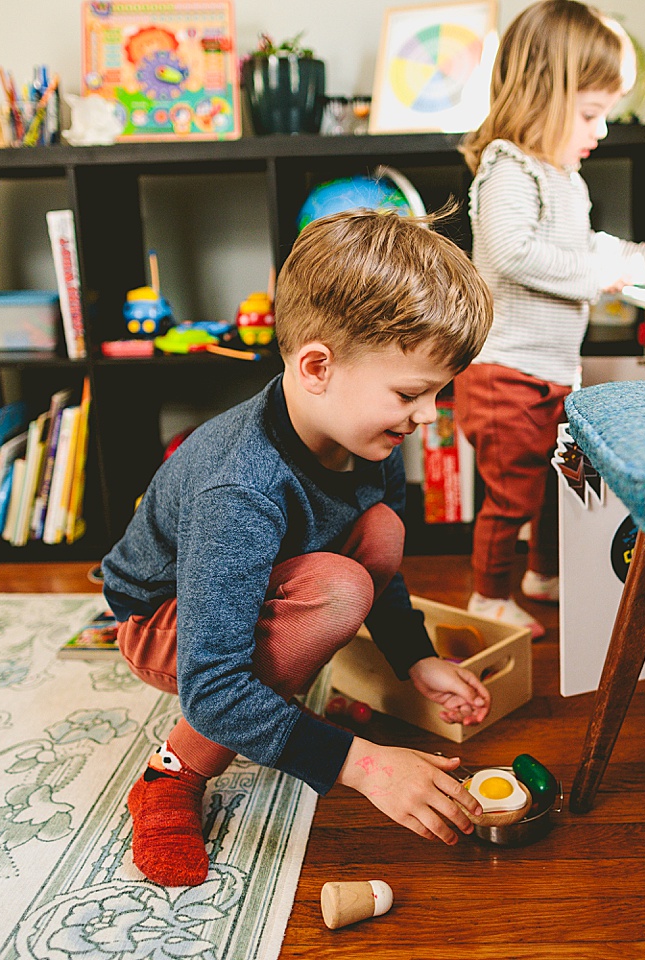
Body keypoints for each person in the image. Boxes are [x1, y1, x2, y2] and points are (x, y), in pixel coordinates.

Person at [100, 209, 496, 887]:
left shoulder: (369, 434)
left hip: (266, 573)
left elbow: (385, 567)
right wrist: (364, 764)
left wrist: (416, 658)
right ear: (316, 366)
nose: (429, 415)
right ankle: (171, 773)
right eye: (410, 393)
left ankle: (283, 693)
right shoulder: (239, 488)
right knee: (337, 594)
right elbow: (214, 685)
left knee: (381, 534)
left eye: (437, 393)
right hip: (163, 621)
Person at [455, 0, 645, 639]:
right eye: (590, 114)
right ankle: (487, 596)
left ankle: (541, 576)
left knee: (559, 483)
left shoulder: (566, 179)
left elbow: (592, 248)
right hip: (504, 372)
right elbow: (512, 251)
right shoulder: (509, 166)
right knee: (511, 497)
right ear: (544, 96)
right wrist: (603, 276)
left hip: (551, 371)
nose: (601, 131)